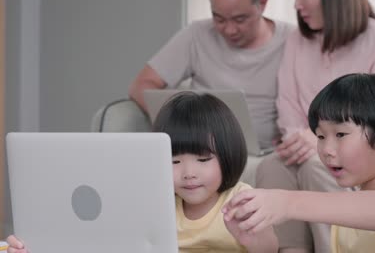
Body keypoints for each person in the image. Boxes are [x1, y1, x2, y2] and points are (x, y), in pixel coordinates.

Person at [6, 92, 279, 253]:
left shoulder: (241, 199)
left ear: (228, 154)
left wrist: (254, 234)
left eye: (203, 159)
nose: (188, 173)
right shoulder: (154, 201)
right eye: (174, 161)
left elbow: (268, 249)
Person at [223, 72, 375, 253]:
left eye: (341, 135)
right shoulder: (345, 220)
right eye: (321, 136)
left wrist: (288, 202)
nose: (326, 150)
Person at [255, 0, 375, 252]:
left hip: (368, 151)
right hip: (312, 146)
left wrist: (319, 141)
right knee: (273, 165)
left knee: (317, 165)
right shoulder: (297, 40)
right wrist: (301, 139)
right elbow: (287, 102)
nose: (297, 5)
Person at [129, 0, 293, 150]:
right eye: (219, 19)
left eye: (240, 19)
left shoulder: (293, 39)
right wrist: (181, 120)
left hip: (269, 153)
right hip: (201, 149)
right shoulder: (196, 35)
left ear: (262, 4)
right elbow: (141, 85)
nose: (229, 30)